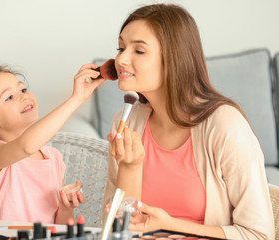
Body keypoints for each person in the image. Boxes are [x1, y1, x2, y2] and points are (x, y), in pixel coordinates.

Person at [103, 3, 274, 239]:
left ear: (174, 58)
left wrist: (172, 225)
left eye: (139, 51)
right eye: (120, 47)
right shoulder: (127, 123)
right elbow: (113, 229)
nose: (121, 59)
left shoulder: (225, 126)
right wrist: (129, 168)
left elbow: (258, 234)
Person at [0, 64, 105, 224]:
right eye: (9, 97)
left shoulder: (53, 157)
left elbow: (60, 228)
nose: (24, 96)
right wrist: (76, 99)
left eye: (22, 89)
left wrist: (66, 208)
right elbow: (26, 146)